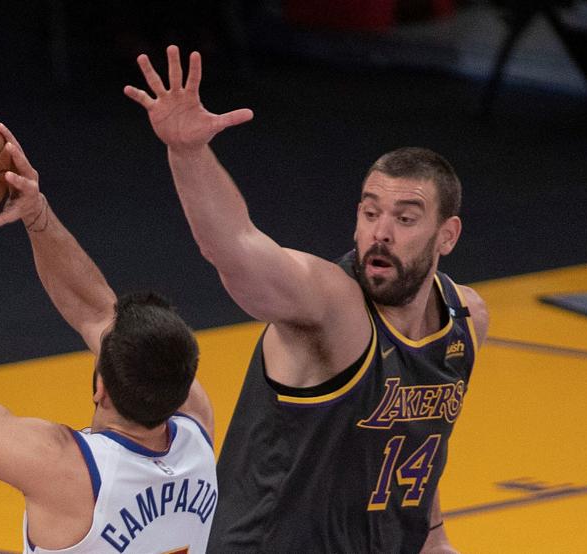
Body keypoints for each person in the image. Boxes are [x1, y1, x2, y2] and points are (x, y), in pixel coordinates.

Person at [124, 46, 488, 553]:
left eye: (405, 219)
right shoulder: (330, 306)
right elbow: (236, 248)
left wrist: (433, 539)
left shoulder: (466, 320)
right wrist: (189, 153)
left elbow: (415, 445)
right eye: (369, 213)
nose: (380, 233)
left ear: (447, 236)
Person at [0, 123, 217, 553]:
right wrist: (36, 213)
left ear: (101, 388)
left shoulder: (65, 470)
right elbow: (95, 313)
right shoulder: (196, 426)